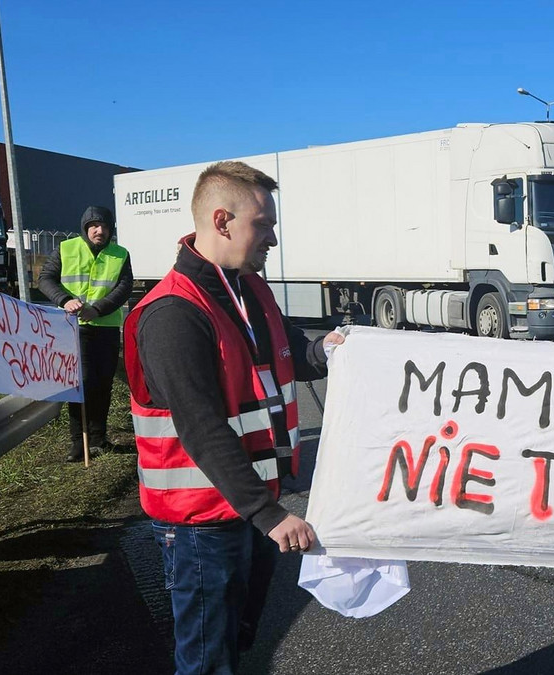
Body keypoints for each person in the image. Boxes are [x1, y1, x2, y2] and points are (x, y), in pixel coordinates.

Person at [123, 161, 344, 673]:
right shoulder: (173, 313)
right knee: (206, 660)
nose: (271, 238)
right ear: (222, 221)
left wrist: (326, 352)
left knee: (234, 644)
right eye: (262, 225)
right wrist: (269, 516)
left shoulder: (249, 288)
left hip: (248, 504)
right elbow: (200, 428)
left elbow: (284, 351)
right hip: (202, 520)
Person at [38, 205, 133, 462]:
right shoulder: (66, 249)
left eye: (103, 226)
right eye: (93, 226)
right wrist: (64, 299)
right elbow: (45, 279)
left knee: (103, 384)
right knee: (82, 384)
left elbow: (124, 288)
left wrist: (98, 310)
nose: (98, 230)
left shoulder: (120, 254)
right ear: (84, 228)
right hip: (75, 329)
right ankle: (78, 443)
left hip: (107, 329)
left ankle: (99, 438)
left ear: (110, 229)